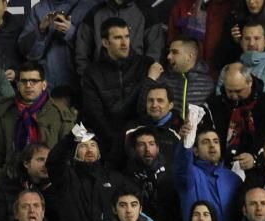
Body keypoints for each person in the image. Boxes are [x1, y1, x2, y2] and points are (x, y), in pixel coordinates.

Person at [81, 17, 155, 158]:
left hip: (141, 139)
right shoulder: (92, 73)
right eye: (118, 38)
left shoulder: (145, 65)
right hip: (108, 142)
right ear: (105, 42)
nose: (124, 43)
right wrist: (117, 141)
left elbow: (150, 108)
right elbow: (95, 116)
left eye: (126, 36)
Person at [0, 62, 76, 167]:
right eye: (24, 81)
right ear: (18, 85)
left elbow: (70, 152)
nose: (28, 85)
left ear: (44, 85)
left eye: (34, 81)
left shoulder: (60, 113)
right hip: (12, 176)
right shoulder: (6, 112)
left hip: (50, 175)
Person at [203, 63, 265, 164]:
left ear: (249, 82)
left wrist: (255, 159)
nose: (234, 96)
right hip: (221, 167)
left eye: (238, 91)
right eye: (230, 91)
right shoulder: (212, 106)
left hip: (260, 170)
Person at [173, 126, 242, 221]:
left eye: (216, 141)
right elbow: (182, 165)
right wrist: (185, 143)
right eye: (205, 142)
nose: (212, 145)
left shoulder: (233, 178)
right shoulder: (190, 175)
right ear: (195, 151)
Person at [18, 0, 97, 90]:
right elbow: (27, 52)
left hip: (78, 85)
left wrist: (71, 32)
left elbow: (97, 49)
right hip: (47, 85)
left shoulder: (89, 7)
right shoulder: (38, 9)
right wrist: (40, 30)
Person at [120, 125, 181, 221]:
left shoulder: (171, 172)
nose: (147, 149)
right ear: (134, 149)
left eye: (151, 144)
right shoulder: (126, 177)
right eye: (141, 145)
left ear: (158, 148)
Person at [74, 0, 163, 76]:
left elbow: (154, 53)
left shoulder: (147, 13)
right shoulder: (94, 13)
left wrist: (146, 81)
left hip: (136, 84)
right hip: (100, 84)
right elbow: (82, 51)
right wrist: (86, 79)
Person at [219, 21, 265, 104]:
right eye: (247, 39)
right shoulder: (228, 69)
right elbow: (221, 101)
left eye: (257, 38)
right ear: (241, 42)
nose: (251, 43)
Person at [157, 37, 215, 116]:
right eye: (169, 52)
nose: (168, 56)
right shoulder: (163, 79)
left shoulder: (208, 83)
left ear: (189, 56)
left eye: (174, 52)